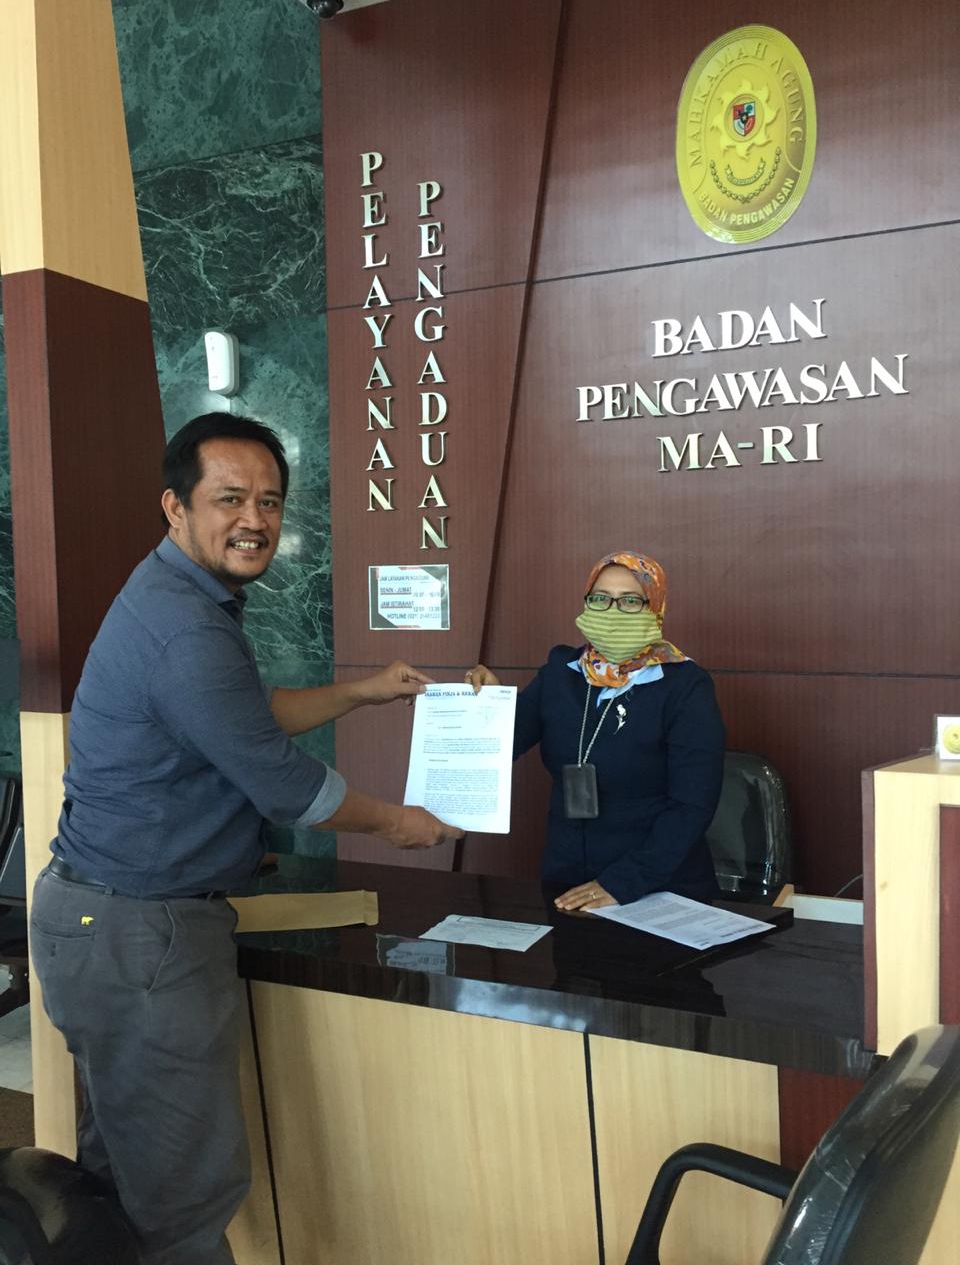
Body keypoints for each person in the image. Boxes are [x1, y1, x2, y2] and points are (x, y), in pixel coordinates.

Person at [28, 412, 461, 1265]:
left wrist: (363, 692)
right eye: (230, 498)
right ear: (175, 506)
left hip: (102, 919)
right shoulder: (186, 627)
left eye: (269, 501)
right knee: (182, 1200)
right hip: (142, 931)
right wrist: (400, 823)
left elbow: (246, 717)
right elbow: (285, 783)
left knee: (128, 1179)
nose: (254, 519)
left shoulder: (177, 597)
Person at [466, 551, 724, 913]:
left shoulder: (684, 686)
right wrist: (488, 704)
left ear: (655, 607)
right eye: (600, 598)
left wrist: (625, 881)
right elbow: (502, 743)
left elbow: (692, 805)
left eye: (630, 601)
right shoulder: (562, 671)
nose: (612, 611)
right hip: (568, 879)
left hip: (657, 886)